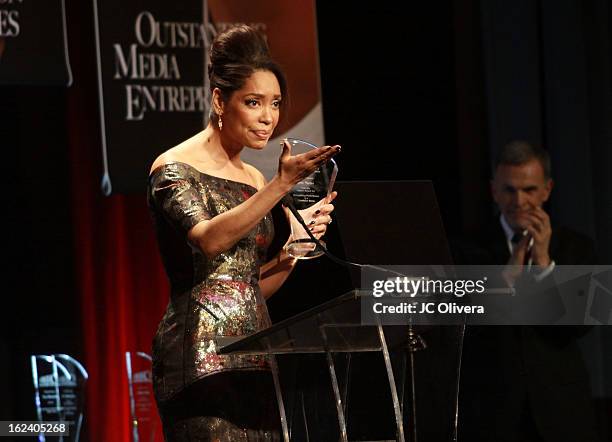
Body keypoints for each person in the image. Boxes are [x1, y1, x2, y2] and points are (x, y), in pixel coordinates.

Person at [147, 25, 340, 441]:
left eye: (274, 104)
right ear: (220, 100)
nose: (268, 117)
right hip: (199, 361)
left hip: (256, 354)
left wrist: (293, 251)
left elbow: (245, 285)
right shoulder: (173, 167)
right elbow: (209, 240)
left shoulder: (253, 176)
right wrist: (280, 186)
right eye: (253, 103)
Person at [456, 141, 600, 442]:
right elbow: (458, 322)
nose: (519, 201)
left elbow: (582, 325)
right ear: (494, 191)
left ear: (547, 190)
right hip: (491, 408)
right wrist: (503, 279)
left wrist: (545, 263)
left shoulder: (577, 246)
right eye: (509, 190)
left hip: (560, 408)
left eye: (529, 190)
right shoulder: (464, 249)